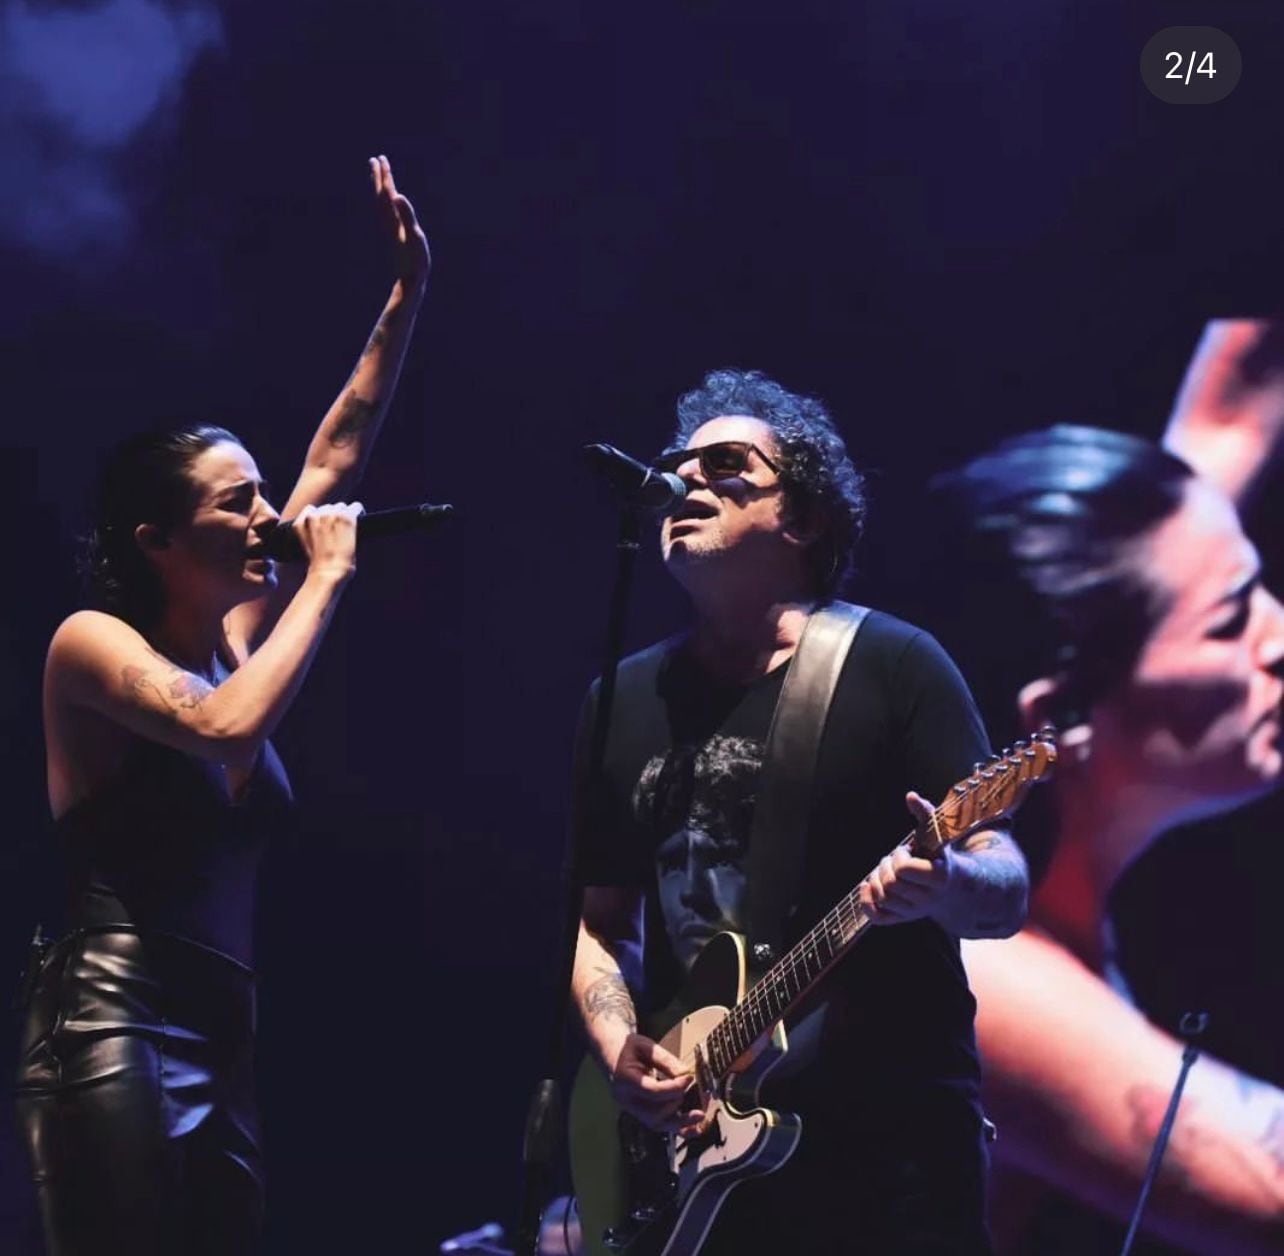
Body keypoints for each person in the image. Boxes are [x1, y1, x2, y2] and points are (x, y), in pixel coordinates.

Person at [14, 156, 430, 1255]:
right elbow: (222, 727)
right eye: (235, 502)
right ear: (156, 540)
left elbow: (334, 449)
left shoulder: (236, 638)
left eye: (262, 497)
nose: (266, 518)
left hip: (221, 1027)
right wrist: (329, 579)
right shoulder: (93, 644)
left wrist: (405, 296)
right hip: (117, 1021)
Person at [569, 369, 1030, 1254]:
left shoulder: (896, 664)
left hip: (886, 1153)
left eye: (728, 464)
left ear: (804, 518)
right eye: (676, 466)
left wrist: (947, 880)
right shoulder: (618, 703)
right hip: (703, 1145)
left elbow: (1004, 886)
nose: (685, 482)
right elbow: (595, 923)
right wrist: (619, 1044)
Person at [931, 406, 1284, 1253]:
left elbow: (1234, 404)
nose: (1275, 636)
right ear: (1058, 721)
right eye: (1233, 622)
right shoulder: (973, 973)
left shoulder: (1139, 567)